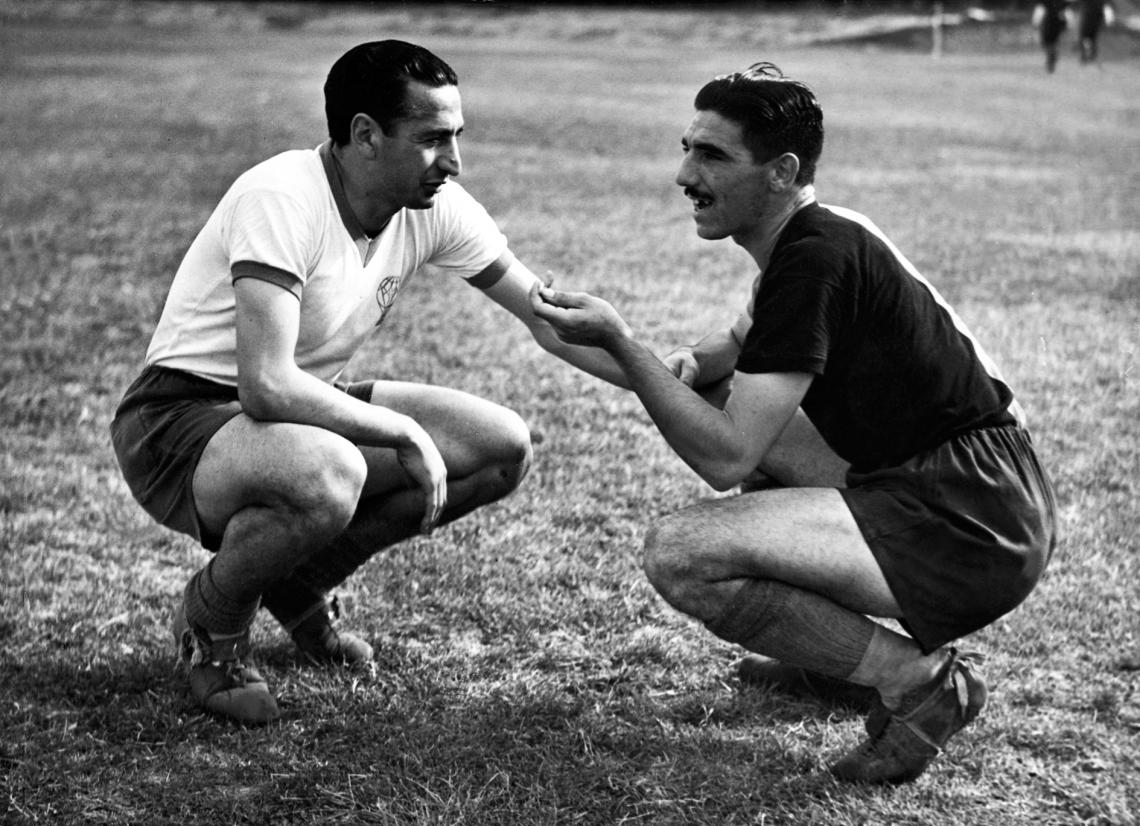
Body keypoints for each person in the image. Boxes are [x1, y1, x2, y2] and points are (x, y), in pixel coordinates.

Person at [532, 62, 1056, 784]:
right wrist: (647, 355)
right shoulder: (817, 236)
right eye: (687, 147)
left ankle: (918, 681)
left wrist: (621, 340)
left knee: (682, 554)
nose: (685, 174)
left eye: (711, 155)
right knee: (725, 400)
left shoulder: (814, 260)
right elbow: (720, 360)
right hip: (970, 486)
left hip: (970, 518)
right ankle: (834, 664)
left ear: (781, 172)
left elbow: (725, 458)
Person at [110, 40, 625, 725]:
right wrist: (401, 429)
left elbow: (548, 319)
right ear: (365, 135)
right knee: (330, 472)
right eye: (433, 138)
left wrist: (655, 375)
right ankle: (213, 623)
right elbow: (265, 386)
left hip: (293, 419)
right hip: (181, 419)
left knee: (500, 446)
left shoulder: (434, 205)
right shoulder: (282, 196)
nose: (455, 160)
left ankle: (298, 585)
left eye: (456, 137)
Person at [1032, 0, 1071, 72]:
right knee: (1052, 43)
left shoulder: (1045, 3)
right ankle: (1052, 56)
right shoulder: (1062, 4)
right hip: (1056, 25)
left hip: (1048, 24)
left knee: (1046, 43)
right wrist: (1066, 25)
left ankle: (1051, 57)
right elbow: (1066, 13)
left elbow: (1039, 12)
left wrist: (1036, 24)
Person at [1076, 0, 1115, 64]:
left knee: (1087, 37)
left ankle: (1088, 56)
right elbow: (1107, 6)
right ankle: (1088, 55)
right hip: (1093, 17)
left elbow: (1107, 6)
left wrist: (1109, 17)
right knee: (1089, 38)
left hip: (1090, 17)